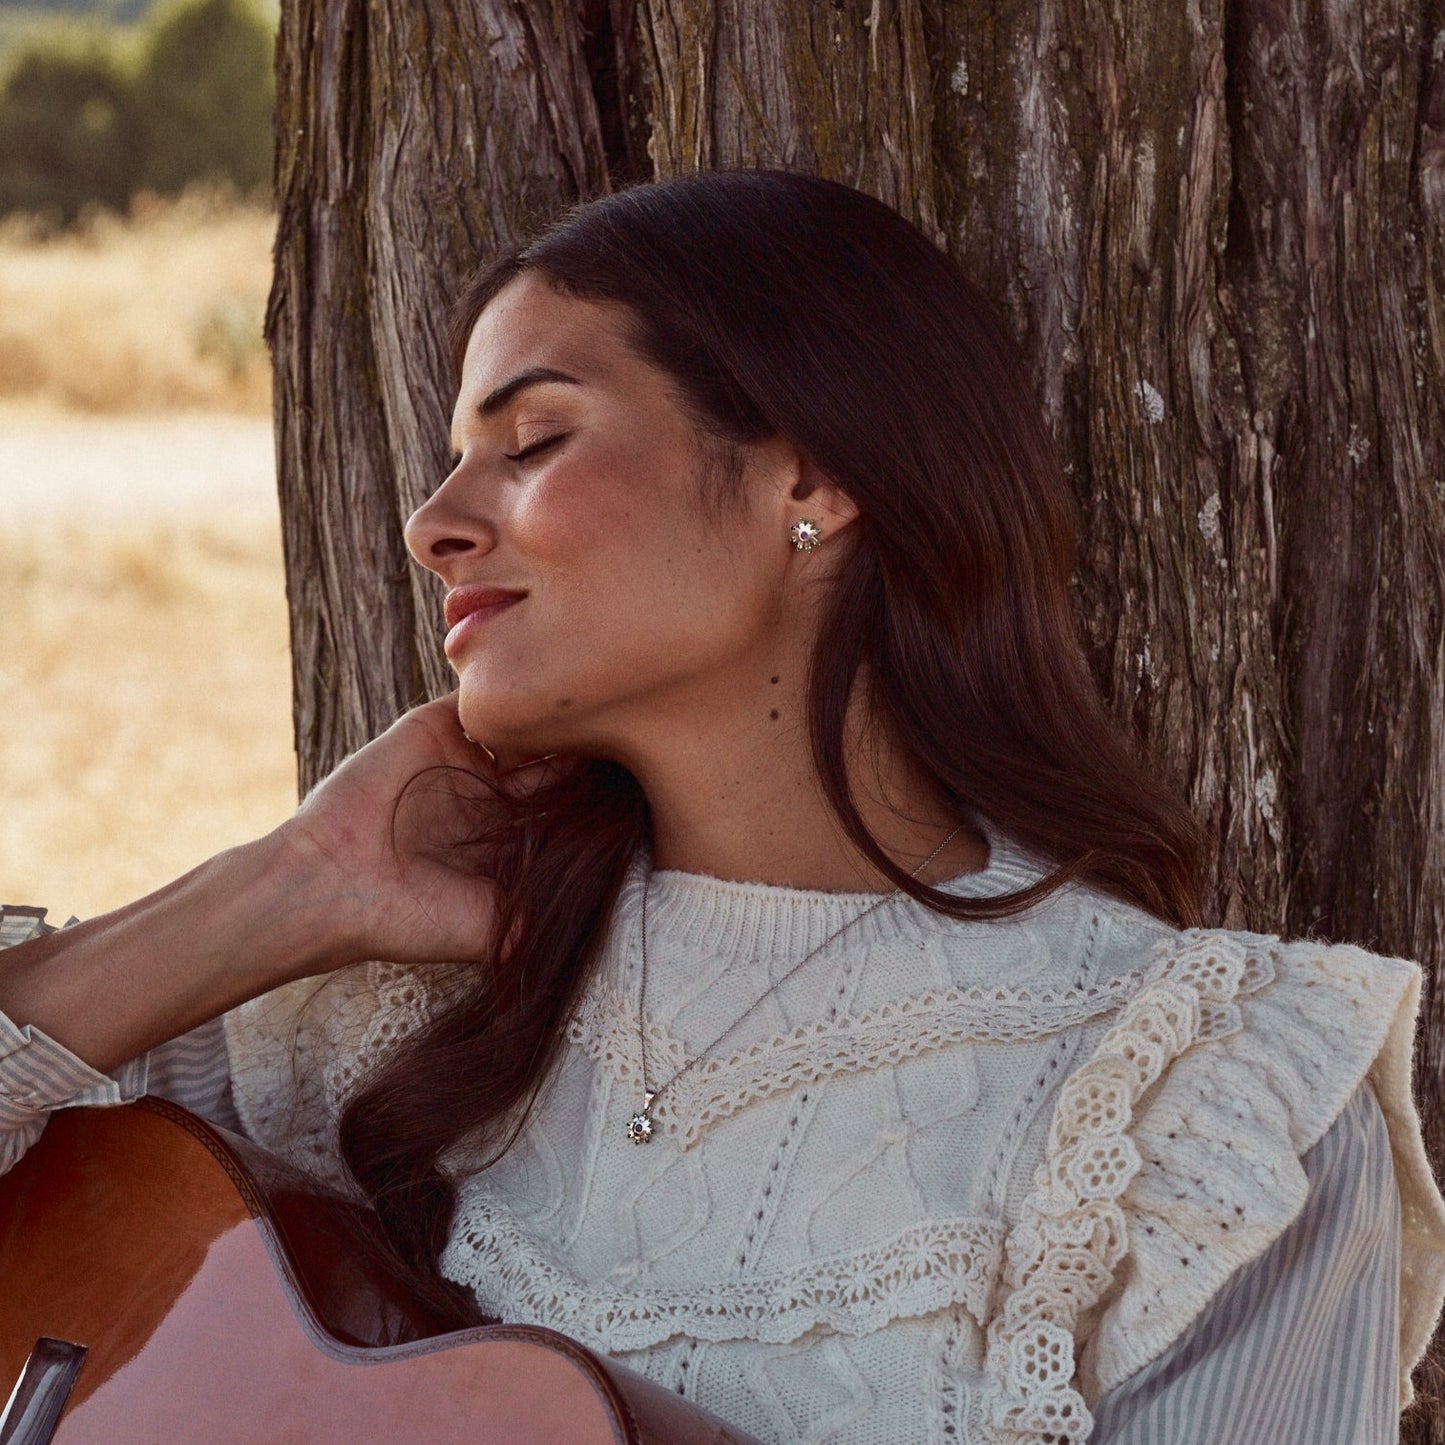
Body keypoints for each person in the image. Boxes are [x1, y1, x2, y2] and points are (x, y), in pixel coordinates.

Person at [2, 167, 1443, 1444]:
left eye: (533, 438)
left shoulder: (1194, 1104)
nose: (431, 522)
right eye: (452, 455)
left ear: (809, 477)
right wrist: (280, 885)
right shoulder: (378, 1015)